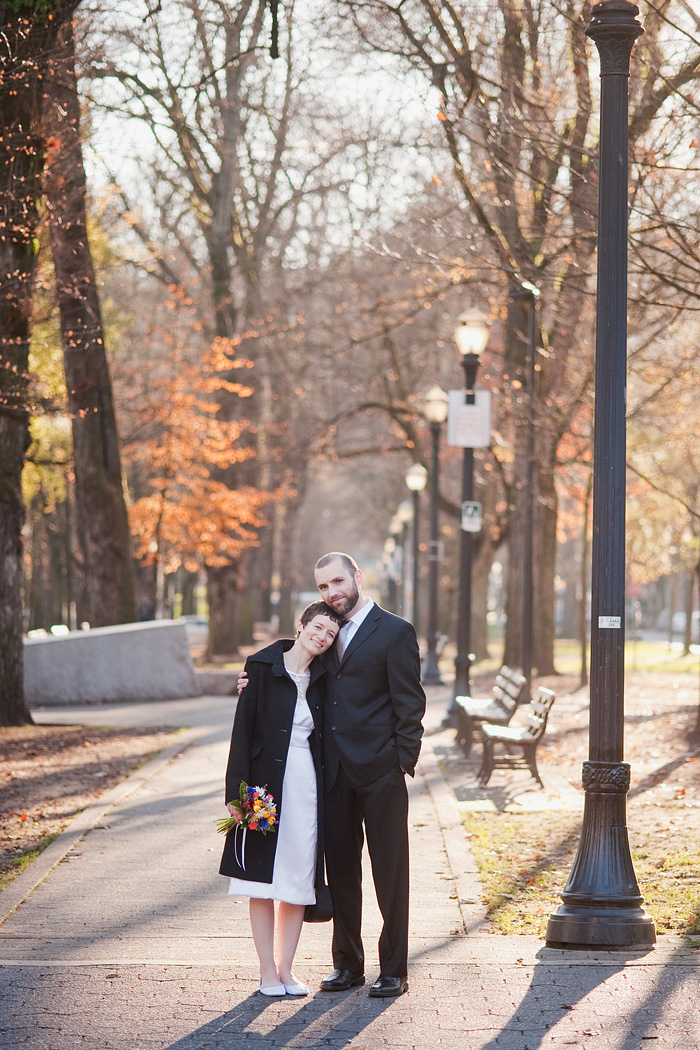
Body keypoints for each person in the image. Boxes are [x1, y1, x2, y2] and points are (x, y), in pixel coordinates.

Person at [313, 551, 425, 999]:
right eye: (323, 587)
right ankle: (348, 966)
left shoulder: (395, 631)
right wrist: (252, 678)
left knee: (390, 873)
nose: (332, 593)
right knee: (341, 873)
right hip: (334, 773)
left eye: (337, 582)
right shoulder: (322, 631)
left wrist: (401, 759)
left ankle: (393, 969)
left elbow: (410, 702)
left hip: (381, 773)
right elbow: (290, 661)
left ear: (357, 577)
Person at [220, 601, 343, 997]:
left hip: (306, 785)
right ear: (301, 625)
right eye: (318, 627)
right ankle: (266, 972)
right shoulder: (260, 667)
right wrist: (235, 792)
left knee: (296, 877)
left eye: (331, 634)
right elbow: (241, 734)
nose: (322, 637)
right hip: (263, 784)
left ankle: (287, 970)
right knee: (261, 880)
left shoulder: (326, 676)